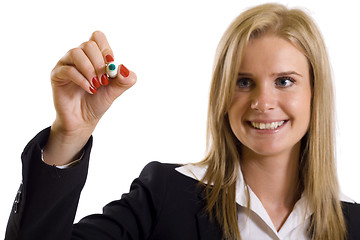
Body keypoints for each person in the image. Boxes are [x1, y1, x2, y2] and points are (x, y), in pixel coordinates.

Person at [5, 3, 360, 240]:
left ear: (317, 93)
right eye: (243, 81)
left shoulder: (354, 225)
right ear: (222, 94)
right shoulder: (164, 196)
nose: (263, 102)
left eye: (284, 81)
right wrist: (70, 133)